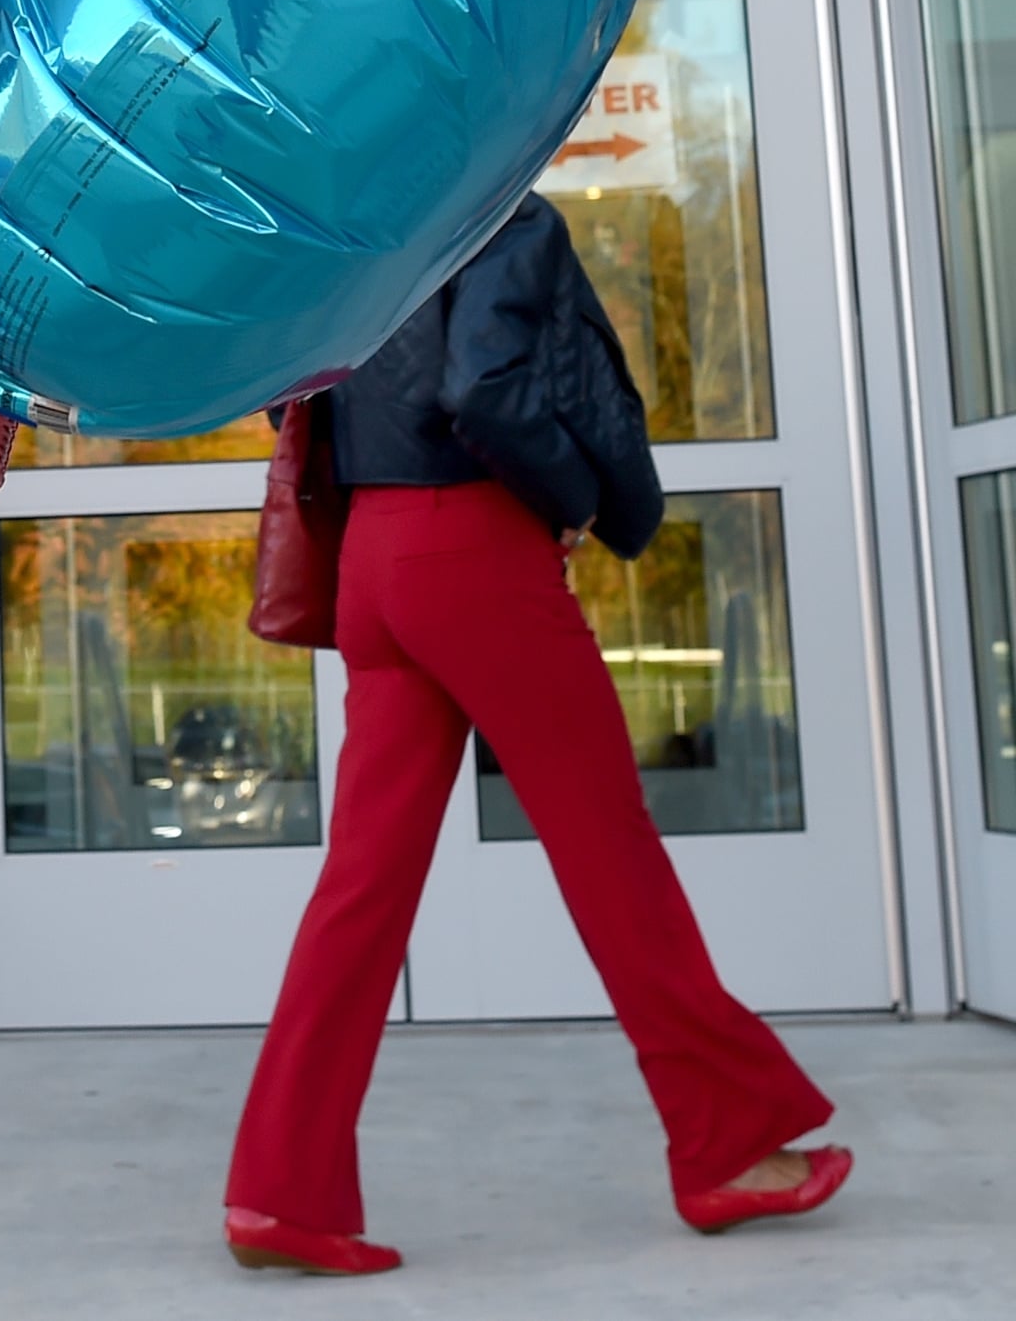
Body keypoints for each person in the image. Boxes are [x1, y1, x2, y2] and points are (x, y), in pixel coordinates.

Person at [225, 194, 850, 1277]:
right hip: (470, 550)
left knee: (358, 895)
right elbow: (486, 388)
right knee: (613, 858)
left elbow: (289, 392)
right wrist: (566, 499)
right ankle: (727, 1144)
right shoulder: (496, 219)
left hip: (371, 555)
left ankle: (277, 1190)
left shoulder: (360, 223)